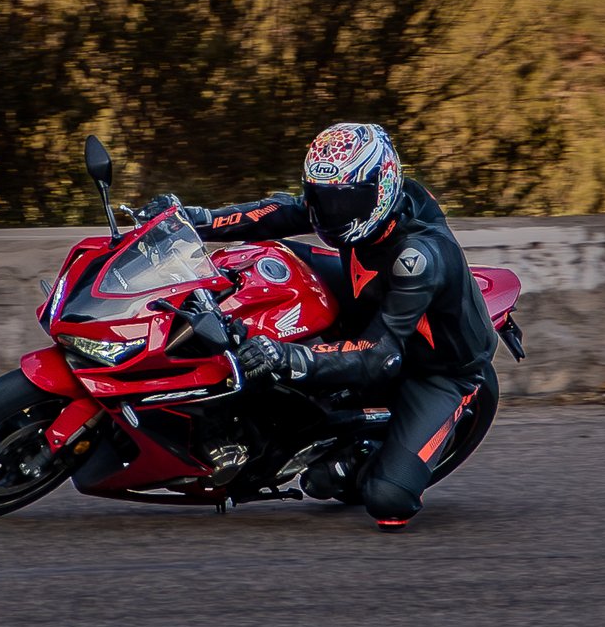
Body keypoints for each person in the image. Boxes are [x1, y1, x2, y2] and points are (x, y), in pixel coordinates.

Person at [144, 123, 498, 531]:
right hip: (369, 295)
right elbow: (284, 211)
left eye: (345, 201)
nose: (332, 214)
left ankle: (361, 458)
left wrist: (287, 355)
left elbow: (379, 354)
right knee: (260, 263)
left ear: (382, 187)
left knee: (388, 501)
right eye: (322, 198)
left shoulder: (418, 257)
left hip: (438, 369)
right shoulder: (362, 202)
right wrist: (193, 219)